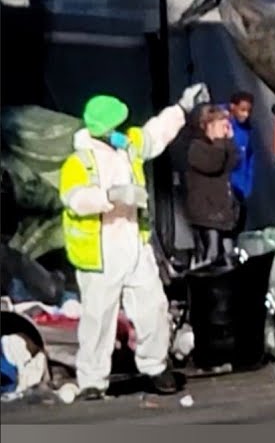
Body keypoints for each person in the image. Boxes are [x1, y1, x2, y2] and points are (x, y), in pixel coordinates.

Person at [58, 83, 209, 400]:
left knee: (153, 307)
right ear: (101, 129)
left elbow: (156, 133)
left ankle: (155, 367)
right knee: (98, 318)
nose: (121, 130)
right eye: (115, 125)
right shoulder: (79, 162)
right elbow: (73, 198)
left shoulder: (127, 146)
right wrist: (110, 197)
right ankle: (92, 380)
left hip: (133, 243)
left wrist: (182, 107)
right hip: (99, 250)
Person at [184, 104, 241, 270]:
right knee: (212, 253)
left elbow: (232, 163)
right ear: (208, 125)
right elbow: (213, 164)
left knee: (229, 254)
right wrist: (219, 142)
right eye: (221, 124)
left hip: (222, 211)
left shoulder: (221, 146)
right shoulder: (197, 147)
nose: (225, 129)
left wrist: (229, 141)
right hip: (206, 213)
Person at [224, 91, 255, 235]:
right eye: (242, 110)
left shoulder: (246, 129)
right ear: (232, 107)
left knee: (237, 231)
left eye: (249, 111)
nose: (246, 114)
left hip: (240, 189)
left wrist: (247, 186)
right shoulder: (222, 124)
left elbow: (249, 158)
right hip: (224, 188)